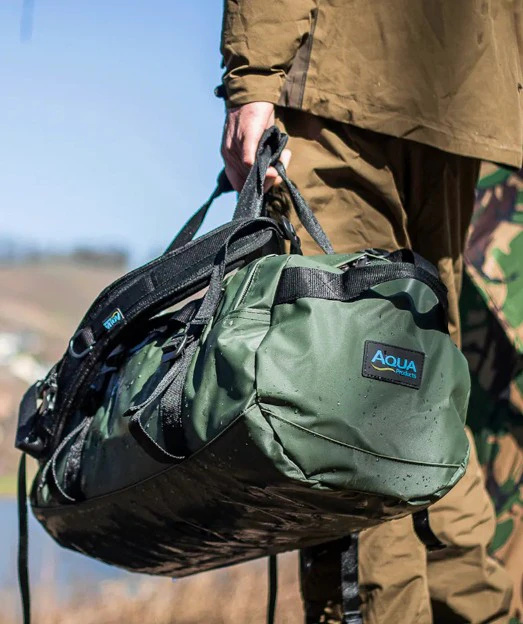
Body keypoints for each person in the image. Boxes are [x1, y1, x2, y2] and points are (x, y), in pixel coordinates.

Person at [219, 2, 522, 623]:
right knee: (424, 398)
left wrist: (253, 82)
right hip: (464, 90)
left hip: (342, 79)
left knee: (349, 405)